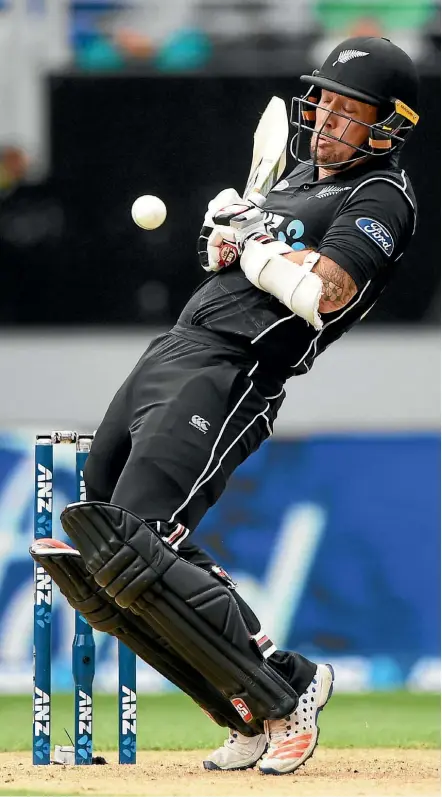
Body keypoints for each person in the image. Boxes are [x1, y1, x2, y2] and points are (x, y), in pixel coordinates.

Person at [32, 36, 419, 776]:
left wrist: (254, 248)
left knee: (137, 535)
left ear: (386, 125)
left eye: (348, 111)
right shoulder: (301, 172)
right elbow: (251, 263)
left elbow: (325, 291)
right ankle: (240, 704)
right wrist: (227, 239)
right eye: (325, 105)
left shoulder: (381, 198)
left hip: (234, 370)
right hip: (176, 346)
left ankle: (288, 689)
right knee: (104, 541)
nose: (327, 122)